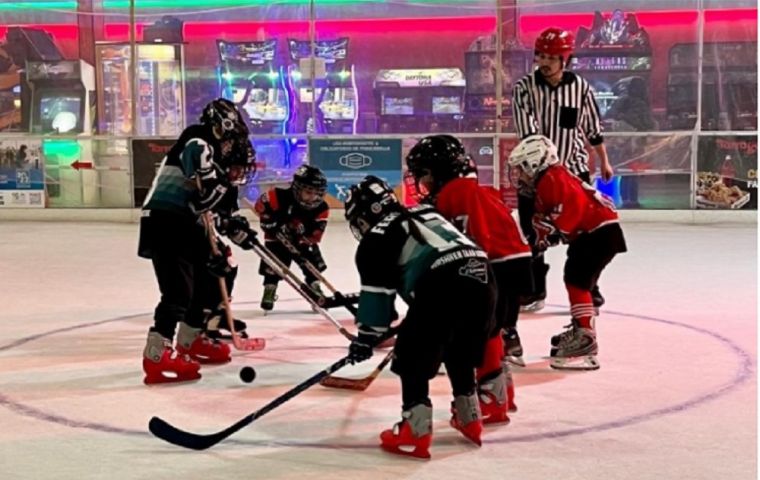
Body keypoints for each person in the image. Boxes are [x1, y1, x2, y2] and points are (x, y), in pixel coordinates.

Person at [345, 175, 498, 459]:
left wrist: (365, 339)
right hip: (484, 278)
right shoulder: (428, 211)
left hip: (442, 283)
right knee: (459, 349)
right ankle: (470, 416)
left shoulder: (374, 239)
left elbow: (377, 308)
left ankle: (414, 430)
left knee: (411, 354)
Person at [137, 98, 258, 384]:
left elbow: (216, 211)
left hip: (187, 224)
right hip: (165, 220)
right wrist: (220, 198)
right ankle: (156, 354)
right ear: (218, 128)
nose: (230, 148)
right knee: (178, 291)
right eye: (230, 141)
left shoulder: (220, 167)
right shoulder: (198, 138)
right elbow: (202, 197)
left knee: (219, 269)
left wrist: (234, 226)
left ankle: (191, 337)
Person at [405, 134, 533, 375]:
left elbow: (464, 244)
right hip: (518, 261)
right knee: (498, 316)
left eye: (423, 172)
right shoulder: (473, 189)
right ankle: (509, 344)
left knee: (459, 300)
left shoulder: (453, 194)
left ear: (438, 171)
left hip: (497, 262)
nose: (421, 179)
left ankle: (478, 357)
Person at [512, 27, 613, 312]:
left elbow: (592, 128)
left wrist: (603, 160)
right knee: (532, 235)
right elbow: (527, 132)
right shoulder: (524, 88)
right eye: (541, 56)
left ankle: (588, 286)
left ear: (565, 59)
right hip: (534, 174)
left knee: (583, 235)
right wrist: (540, 169)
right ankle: (533, 291)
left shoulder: (580, 88)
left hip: (574, 172)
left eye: (552, 57)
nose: (544, 62)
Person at [507, 135, 627, 370]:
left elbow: (568, 215)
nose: (519, 174)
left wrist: (547, 236)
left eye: (522, 168)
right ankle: (582, 328)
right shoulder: (550, 178)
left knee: (577, 281)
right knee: (579, 280)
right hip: (599, 232)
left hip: (598, 233)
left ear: (535, 162)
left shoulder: (551, 179)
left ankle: (585, 337)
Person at [253, 164, 329, 312]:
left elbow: (316, 234)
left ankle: (315, 287)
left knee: (310, 262)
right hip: (276, 239)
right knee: (273, 263)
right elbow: (261, 209)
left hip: (302, 240)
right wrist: (271, 223)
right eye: (308, 192)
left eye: (317, 193)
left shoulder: (322, 208)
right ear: (297, 188)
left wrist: (304, 239)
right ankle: (270, 287)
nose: (313, 197)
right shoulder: (277, 196)